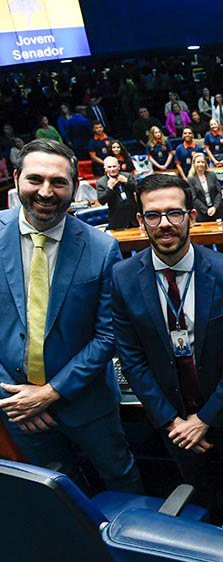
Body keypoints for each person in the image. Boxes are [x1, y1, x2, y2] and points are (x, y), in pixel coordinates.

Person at [112, 173, 223, 531]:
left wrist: (204, 419)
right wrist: (173, 422)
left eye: (174, 213)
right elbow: (131, 359)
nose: (164, 224)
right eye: (153, 215)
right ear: (141, 221)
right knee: (198, 502)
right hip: (173, 421)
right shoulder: (122, 277)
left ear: (192, 217)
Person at [0, 139, 143, 493]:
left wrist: (50, 392)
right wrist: (14, 397)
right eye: (35, 179)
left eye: (58, 182)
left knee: (120, 478)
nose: (46, 192)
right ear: (16, 179)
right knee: (54, 492)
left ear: (75, 187)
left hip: (87, 401)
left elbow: (108, 335)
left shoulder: (101, 247)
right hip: (18, 406)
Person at [96, 155, 138, 229]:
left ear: (119, 167)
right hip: (117, 220)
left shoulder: (127, 176)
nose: (112, 169)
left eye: (114, 166)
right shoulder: (101, 182)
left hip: (134, 218)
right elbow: (101, 201)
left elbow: (139, 189)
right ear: (105, 169)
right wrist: (109, 188)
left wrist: (127, 182)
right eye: (109, 167)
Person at [187, 153, 223, 222]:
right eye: (198, 162)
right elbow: (194, 198)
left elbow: (219, 193)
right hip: (201, 213)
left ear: (205, 163)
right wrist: (206, 210)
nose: (200, 164)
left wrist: (214, 207)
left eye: (202, 162)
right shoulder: (191, 178)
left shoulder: (212, 175)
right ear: (194, 164)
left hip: (216, 211)